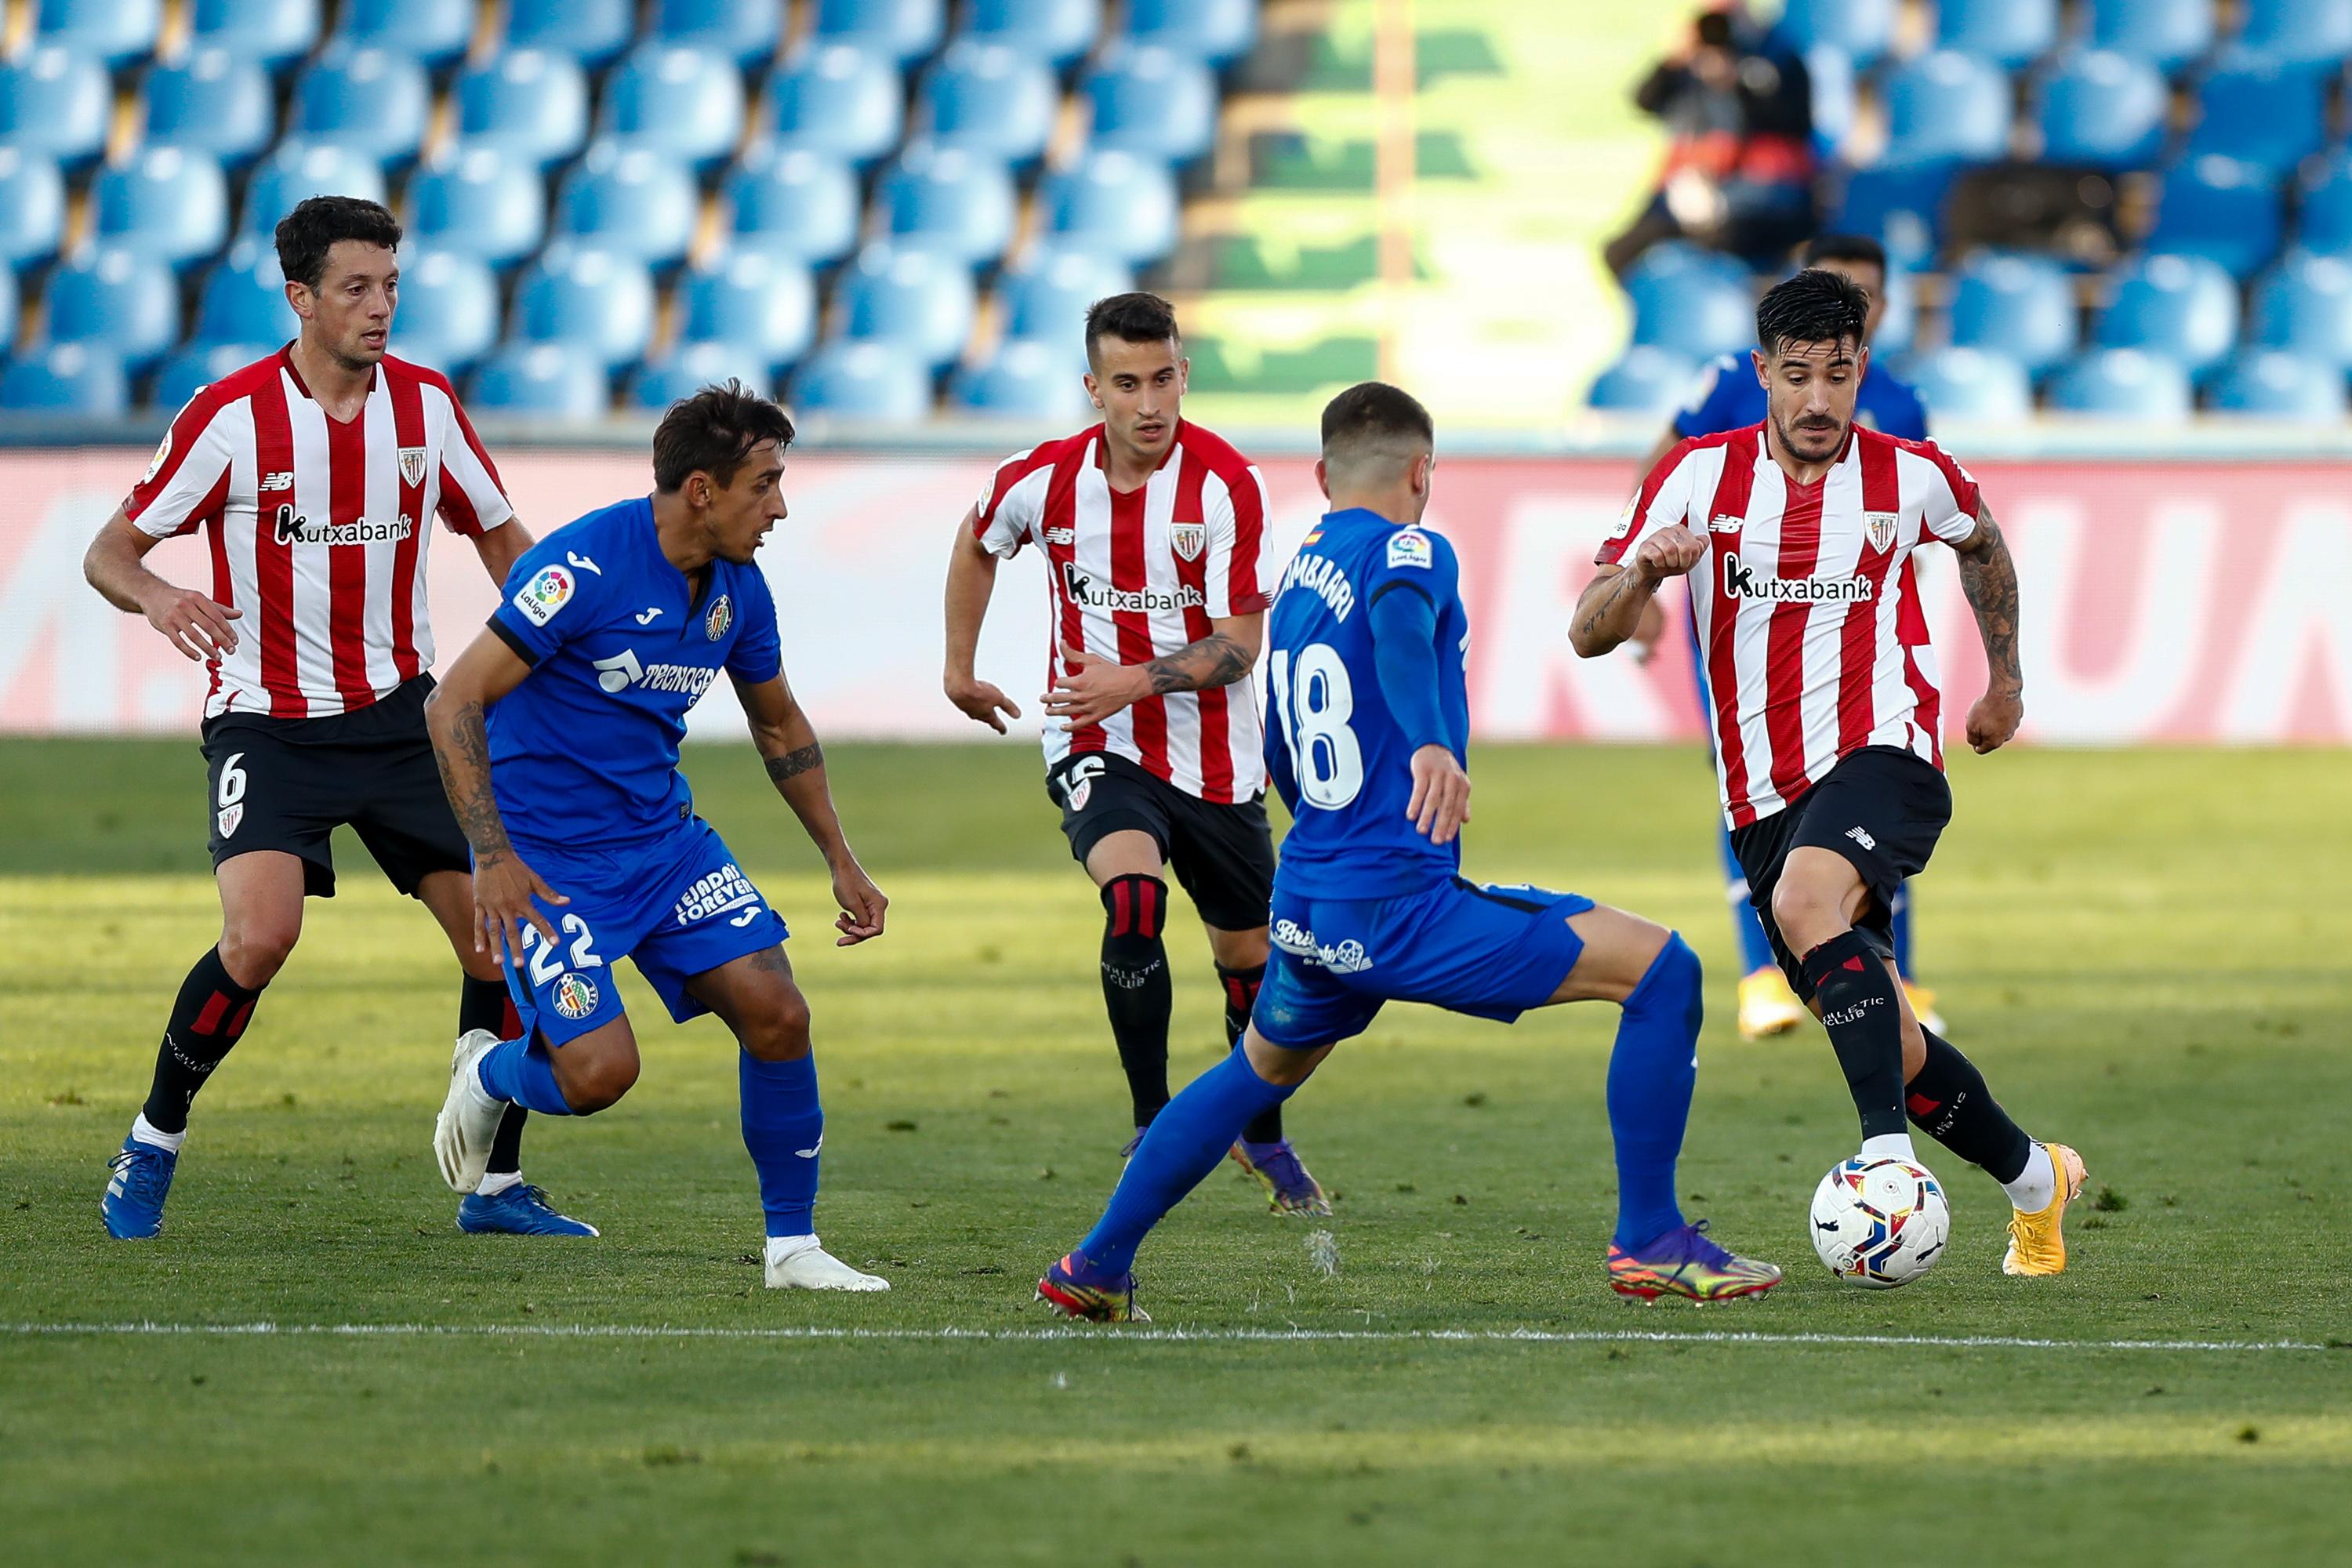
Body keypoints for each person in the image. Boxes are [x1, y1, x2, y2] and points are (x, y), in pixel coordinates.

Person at [1036, 382, 1782, 1322]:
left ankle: (1095, 1263)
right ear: (1423, 471)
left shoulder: (1301, 573)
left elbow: (1275, 746)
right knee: (1664, 971)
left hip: (1310, 900)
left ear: (1321, 475)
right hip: (1400, 906)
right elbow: (1396, 621)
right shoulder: (1412, 546)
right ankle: (1652, 1240)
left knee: (1255, 1070)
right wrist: (1429, 740)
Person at [81, 195, 590, 1240]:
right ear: (300, 296)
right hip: (268, 725)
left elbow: (502, 540)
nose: (379, 307)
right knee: (260, 936)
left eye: (391, 286)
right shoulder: (232, 418)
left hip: (408, 719)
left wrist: (557, 635)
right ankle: (153, 1138)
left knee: (503, 939)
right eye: (356, 287)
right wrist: (162, 596)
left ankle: (491, 1187)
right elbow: (108, 553)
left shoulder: (427, 409)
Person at [1571, 268, 2088, 1276]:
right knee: (1889, 1036)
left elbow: (1982, 544)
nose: (1818, 400)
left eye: (1838, 375)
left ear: (1863, 373)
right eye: (1797, 375)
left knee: (1811, 902)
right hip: (1761, 793)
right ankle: (2037, 1178)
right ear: (1761, 372)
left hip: (1886, 751)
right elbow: (1590, 631)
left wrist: (2005, 683)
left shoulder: (1910, 472)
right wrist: (1643, 573)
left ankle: (1884, 1166)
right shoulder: (1694, 477)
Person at [423, 383, 891, 1291]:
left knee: (779, 1011)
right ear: (705, 491)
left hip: (665, 847)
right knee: (599, 1074)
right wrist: (493, 856)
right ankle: (492, 1073)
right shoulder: (581, 568)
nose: (781, 506)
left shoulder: (738, 592)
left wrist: (841, 857)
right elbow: (454, 701)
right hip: (548, 863)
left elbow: (781, 725)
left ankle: (792, 1249)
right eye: (766, 485)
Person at [943, 292, 1327, 1215]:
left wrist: (1134, 678)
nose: (1151, 403)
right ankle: (1155, 1120)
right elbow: (979, 538)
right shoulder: (1043, 478)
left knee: (1253, 969)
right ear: (1093, 388)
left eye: (1165, 378)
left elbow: (1241, 642)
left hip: (1219, 761)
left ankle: (1260, 1131)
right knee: (1132, 897)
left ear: (1184, 373)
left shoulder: (1225, 484)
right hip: (1094, 736)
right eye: (1128, 383)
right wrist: (959, 668)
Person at [1626, 234, 1941, 1044]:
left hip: (1854, 637)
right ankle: (1764, 973)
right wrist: (1641, 575)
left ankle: (1887, 975)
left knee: (1871, 789)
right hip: (1746, 631)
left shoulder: (1901, 406)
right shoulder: (1738, 378)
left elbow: (1920, 528)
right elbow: (1662, 469)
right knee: (1758, 789)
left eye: (1864, 296)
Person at [1606, 5, 1815, 279]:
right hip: (1690, 193)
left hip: (1758, 198)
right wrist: (1676, 56)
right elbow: (1644, 100)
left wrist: (1737, 81)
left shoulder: (1778, 57)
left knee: (1724, 242)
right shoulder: (1688, 68)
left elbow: (1794, 126)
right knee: (1620, 252)